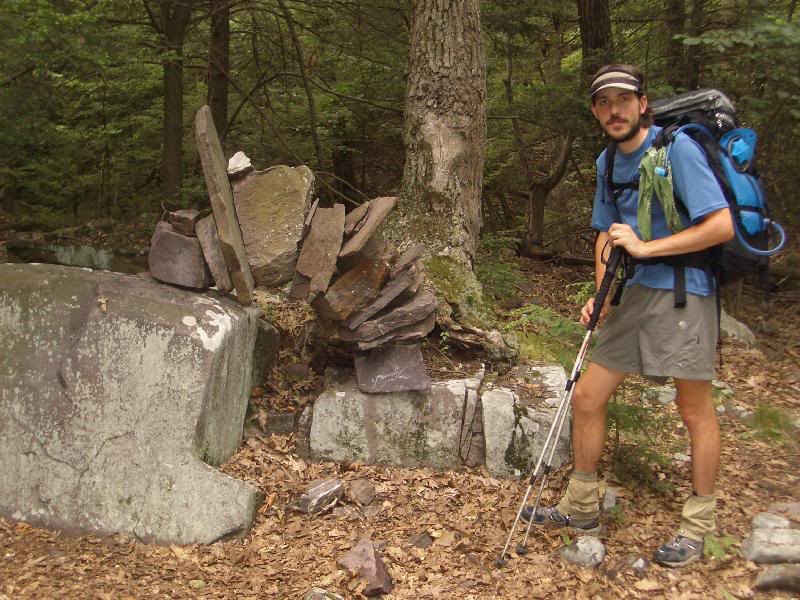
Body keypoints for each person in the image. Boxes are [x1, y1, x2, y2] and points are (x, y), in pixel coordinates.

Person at [523, 64, 734, 568]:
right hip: (635, 294)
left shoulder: (675, 149)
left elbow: (720, 225)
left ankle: (698, 527)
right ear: (596, 112)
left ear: (643, 103)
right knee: (589, 397)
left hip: (685, 293)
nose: (614, 110)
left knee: (693, 410)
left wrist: (647, 246)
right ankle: (580, 509)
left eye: (623, 99)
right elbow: (605, 233)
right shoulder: (606, 162)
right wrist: (603, 297)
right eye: (603, 102)